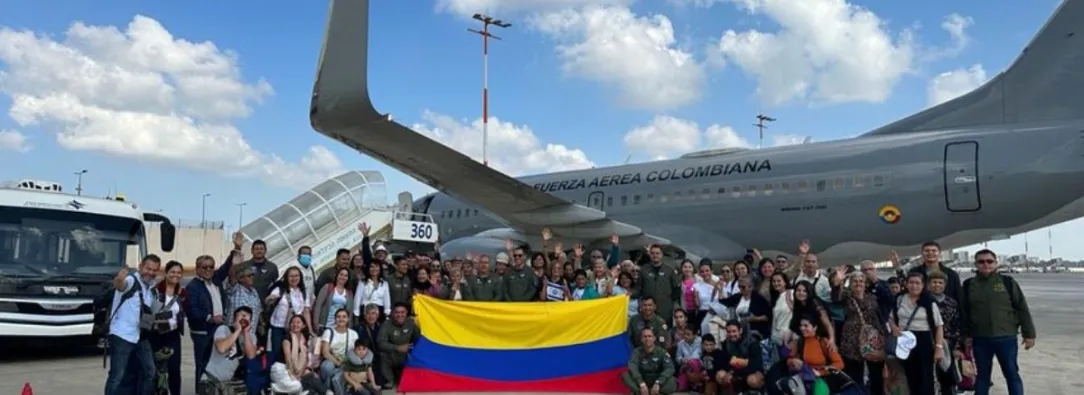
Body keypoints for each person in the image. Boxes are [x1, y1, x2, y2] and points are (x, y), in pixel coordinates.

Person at [960, 249, 1036, 395]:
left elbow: (1022, 308)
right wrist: (965, 336)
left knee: (1011, 374)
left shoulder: (1007, 282)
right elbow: (964, 312)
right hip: (980, 338)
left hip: (1006, 337)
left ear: (996, 263)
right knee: (982, 377)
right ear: (976, 264)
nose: (985, 264)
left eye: (989, 261)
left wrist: (1029, 334)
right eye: (981, 261)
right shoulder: (969, 285)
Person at [104, 255, 160, 395]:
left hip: (140, 336)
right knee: (117, 376)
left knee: (150, 372)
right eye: (148, 268)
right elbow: (120, 286)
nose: (151, 272)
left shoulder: (150, 287)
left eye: (154, 270)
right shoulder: (131, 280)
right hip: (122, 335)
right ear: (141, 267)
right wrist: (119, 279)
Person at [890, 272, 945, 395]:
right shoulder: (900, 299)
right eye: (911, 282)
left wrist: (939, 347)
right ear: (906, 284)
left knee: (925, 377)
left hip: (923, 340)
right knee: (910, 376)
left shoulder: (929, 301)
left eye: (917, 283)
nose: (914, 286)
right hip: (904, 340)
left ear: (923, 285)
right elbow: (891, 318)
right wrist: (894, 328)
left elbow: (939, 326)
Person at [197, 306, 259, 395]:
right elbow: (221, 348)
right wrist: (237, 331)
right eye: (241, 315)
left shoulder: (251, 337)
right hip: (211, 381)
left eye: (246, 316)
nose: (244, 318)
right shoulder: (223, 329)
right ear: (234, 319)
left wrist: (245, 333)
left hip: (227, 385)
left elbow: (251, 355)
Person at [150, 260, 186, 395]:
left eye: (179, 273)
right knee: (157, 369)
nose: (175, 275)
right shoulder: (155, 291)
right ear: (166, 273)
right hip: (156, 334)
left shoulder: (182, 293)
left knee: (174, 370)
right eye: (172, 272)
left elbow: (185, 311)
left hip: (173, 334)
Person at [621, 327, 677, 395]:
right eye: (644, 337)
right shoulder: (637, 352)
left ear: (654, 338)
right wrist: (641, 383)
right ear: (641, 339)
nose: (647, 339)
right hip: (642, 381)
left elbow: (670, 368)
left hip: (658, 380)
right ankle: (640, 392)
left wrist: (658, 382)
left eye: (649, 336)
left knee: (672, 381)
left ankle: (657, 392)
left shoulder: (661, 352)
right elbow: (632, 366)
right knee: (625, 375)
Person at [377, 303, 419, 390]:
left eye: (402, 312)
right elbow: (381, 343)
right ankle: (390, 379)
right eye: (397, 312)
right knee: (382, 354)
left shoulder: (411, 323)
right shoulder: (386, 325)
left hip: (406, 355)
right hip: (391, 355)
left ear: (406, 313)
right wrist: (398, 348)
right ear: (392, 313)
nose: (400, 315)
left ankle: (406, 377)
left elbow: (418, 340)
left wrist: (411, 348)